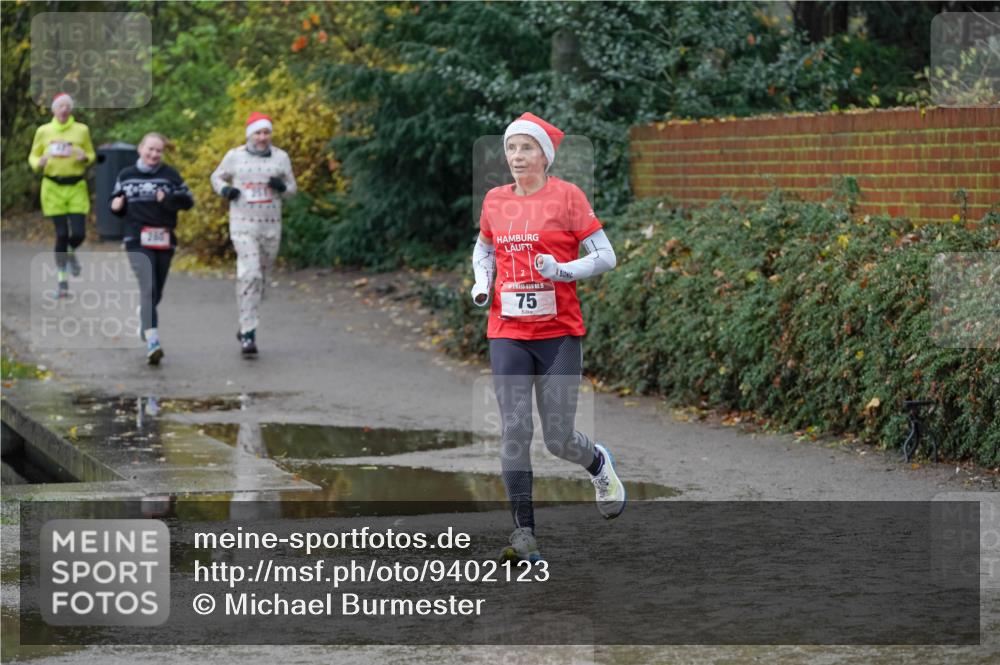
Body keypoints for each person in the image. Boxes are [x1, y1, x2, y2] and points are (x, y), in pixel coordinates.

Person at [471, 112, 624, 562]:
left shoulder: (568, 197)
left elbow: (606, 255)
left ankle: (596, 463)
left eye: (526, 148)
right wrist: (482, 282)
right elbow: (483, 247)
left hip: (559, 334)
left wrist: (562, 271)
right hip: (507, 332)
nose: (517, 156)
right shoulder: (496, 200)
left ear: (544, 155)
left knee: (557, 438)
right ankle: (524, 534)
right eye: (511, 148)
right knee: (515, 431)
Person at [210, 112, 297, 356]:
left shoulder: (281, 157)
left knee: (261, 278)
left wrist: (281, 187)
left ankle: (246, 319)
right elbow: (216, 177)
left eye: (266, 132)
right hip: (243, 224)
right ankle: (248, 332)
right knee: (250, 274)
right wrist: (227, 190)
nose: (262, 137)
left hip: (270, 225)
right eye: (258, 133)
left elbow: (292, 189)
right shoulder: (235, 156)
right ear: (250, 134)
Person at [110, 133, 194, 365]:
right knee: (147, 287)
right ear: (140, 149)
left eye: (158, 151)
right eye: (150, 149)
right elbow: (116, 203)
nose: (154, 154)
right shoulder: (126, 175)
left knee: (157, 291)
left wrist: (167, 198)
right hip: (136, 238)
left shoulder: (170, 175)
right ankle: (153, 341)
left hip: (164, 238)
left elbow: (188, 201)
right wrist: (116, 205)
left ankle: (144, 316)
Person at [27, 93, 96, 297]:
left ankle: (71, 251)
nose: (64, 109)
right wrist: (37, 163)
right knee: (61, 234)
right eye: (60, 106)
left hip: (76, 186)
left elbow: (91, 154)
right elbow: (33, 154)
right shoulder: (44, 131)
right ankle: (62, 283)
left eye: (67, 106)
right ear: (53, 110)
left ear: (71, 109)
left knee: (79, 233)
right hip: (52, 187)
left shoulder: (81, 130)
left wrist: (86, 157)